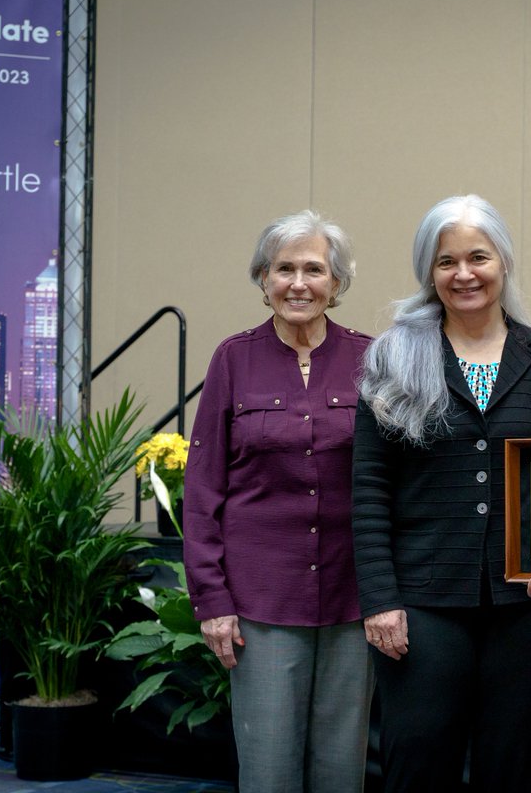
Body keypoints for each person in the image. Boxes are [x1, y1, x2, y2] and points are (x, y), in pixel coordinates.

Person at [352, 194, 531, 792]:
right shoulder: (393, 357)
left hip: (528, 604)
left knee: (515, 766)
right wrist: (379, 600)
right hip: (421, 606)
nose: (464, 273)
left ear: (504, 263)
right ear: (429, 271)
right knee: (418, 764)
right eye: (446, 261)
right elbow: (369, 491)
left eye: (479, 257)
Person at [183, 210, 373, 793]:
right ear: (263, 279)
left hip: (353, 596)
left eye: (313, 269)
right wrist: (211, 600)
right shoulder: (233, 359)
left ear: (336, 283)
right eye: (283, 268)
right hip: (260, 603)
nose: (298, 283)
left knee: (343, 769)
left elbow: (393, 480)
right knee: (268, 770)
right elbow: (202, 488)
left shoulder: (372, 358)